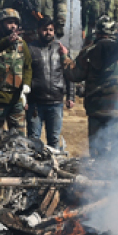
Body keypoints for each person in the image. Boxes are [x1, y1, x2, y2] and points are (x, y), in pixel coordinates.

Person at [67, 16, 118, 160]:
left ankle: (98, 172)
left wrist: (64, 58)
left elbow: (73, 74)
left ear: (97, 32)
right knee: (115, 150)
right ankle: (116, 173)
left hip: (96, 108)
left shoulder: (88, 52)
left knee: (97, 151)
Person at [0, 8, 33, 145]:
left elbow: (28, 66)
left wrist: (26, 86)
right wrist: (6, 42)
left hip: (16, 100)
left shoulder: (22, 44)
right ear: (0, 24)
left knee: (20, 141)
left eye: (15, 23)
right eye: (9, 22)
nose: (13, 26)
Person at [27, 17, 75, 148]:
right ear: (38, 30)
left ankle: (54, 161)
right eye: (45, 29)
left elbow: (69, 74)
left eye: (51, 30)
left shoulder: (61, 50)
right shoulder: (30, 49)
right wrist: (24, 99)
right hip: (35, 103)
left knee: (54, 140)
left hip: (56, 103)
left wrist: (71, 96)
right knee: (33, 140)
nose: (48, 32)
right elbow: (25, 75)